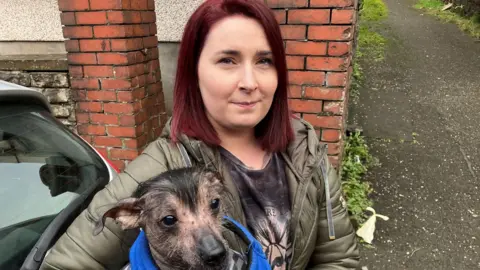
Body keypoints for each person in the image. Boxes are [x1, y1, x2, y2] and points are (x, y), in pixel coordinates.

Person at [41, 0, 359, 269]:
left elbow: (338, 258)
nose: (250, 81)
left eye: (264, 61)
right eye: (227, 60)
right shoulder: (161, 168)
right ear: (194, 72)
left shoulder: (305, 150)